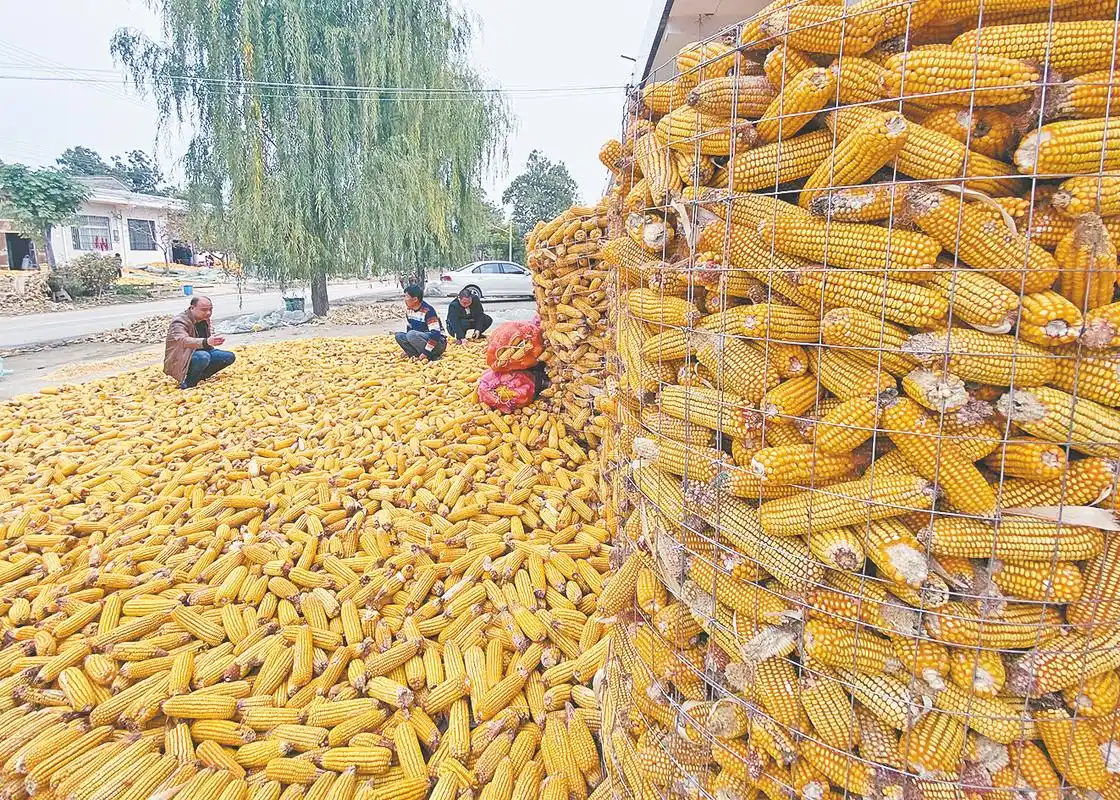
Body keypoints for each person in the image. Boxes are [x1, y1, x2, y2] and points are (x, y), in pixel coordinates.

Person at [164, 296, 236, 389]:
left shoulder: (204, 319)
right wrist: (206, 342)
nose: (208, 313)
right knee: (203, 356)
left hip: (203, 351)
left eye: (210, 309)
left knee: (229, 357)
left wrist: (211, 341)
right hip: (183, 357)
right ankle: (188, 383)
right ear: (192, 308)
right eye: (204, 310)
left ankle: (200, 377)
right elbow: (183, 340)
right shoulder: (179, 322)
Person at [395, 284, 447, 361]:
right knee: (399, 336)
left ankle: (432, 356)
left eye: (406, 296)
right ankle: (415, 355)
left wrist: (426, 352)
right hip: (420, 338)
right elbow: (410, 328)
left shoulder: (428, 311)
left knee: (411, 335)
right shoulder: (409, 310)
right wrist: (407, 349)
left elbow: (436, 334)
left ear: (415, 299)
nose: (404, 299)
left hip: (438, 343)